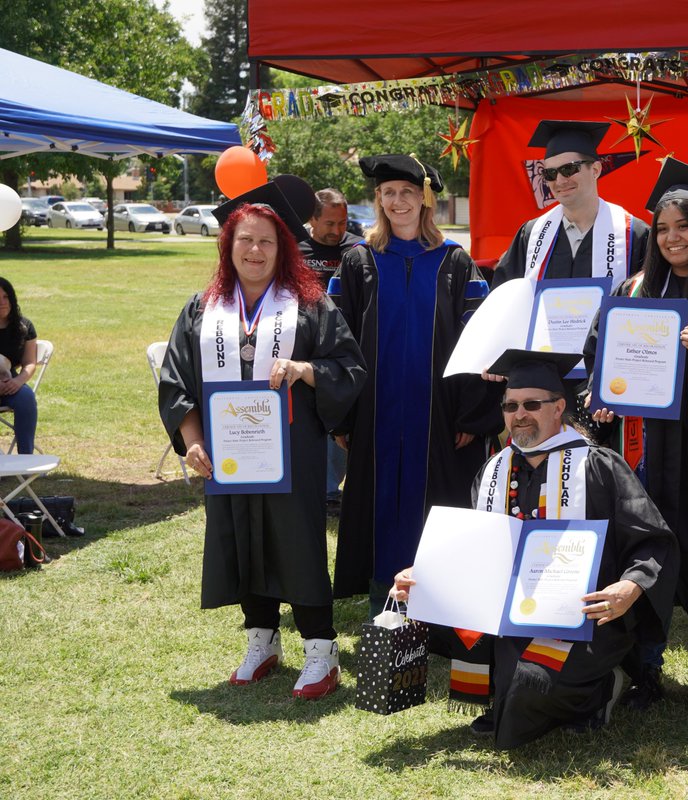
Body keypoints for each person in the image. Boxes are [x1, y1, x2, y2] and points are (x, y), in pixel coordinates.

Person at [391, 348, 678, 749]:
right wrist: (420, 576)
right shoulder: (493, 470)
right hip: (508, 612)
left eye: (531, 404)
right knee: (443, 619)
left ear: (558, 407)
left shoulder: (597, 465)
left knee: (530, 686)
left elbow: (652, 541)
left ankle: (600, 689)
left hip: (580, 617)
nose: (518, 414)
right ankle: (510, 692)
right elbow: (472, 549)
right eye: (510, 405)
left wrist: (628, 588)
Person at [157, 177, 366, 699]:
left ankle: (321, 650)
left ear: (283, 248)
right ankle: (262, 641)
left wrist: (304, 368)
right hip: (227, 452)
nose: (255, 250)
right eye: (244, 240)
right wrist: (194, 440)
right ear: (228, 246)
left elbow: (349, 367)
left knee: (296, 541)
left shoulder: (310, 304)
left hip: (291, 450)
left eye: (266, 241)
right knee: (240, 537)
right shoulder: (203, 309)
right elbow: (176, 379)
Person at [587, 158, 688, 721]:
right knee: (643, 552)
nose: (673, 238)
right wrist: (600, 393)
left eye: (684, 226)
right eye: (662, 228)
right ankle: (645, 669)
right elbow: (598, 358)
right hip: (644, 449)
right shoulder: (634, 289)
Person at [332, 153, 498, 615]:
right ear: (378, 200)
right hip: (376, 412)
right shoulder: (358, 261)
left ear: (424, 199)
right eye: (388, 193)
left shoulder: (455, 262)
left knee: (438, 503)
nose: (397, 201)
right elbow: (338, 342)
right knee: (378, 502)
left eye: (407, 192)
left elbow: (478, 340)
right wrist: (344, 415)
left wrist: (471, 414)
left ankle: (438, 608)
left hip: (439, 416)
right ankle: (382, 605)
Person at [491, 120, 650, 287]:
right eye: (550, 173)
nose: (560, 180)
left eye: (569, 169)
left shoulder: (633, 234)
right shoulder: (531, 235)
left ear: (595, 170)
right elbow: (505, 298)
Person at [297, 187, 364, 516]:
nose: (336, 230)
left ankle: (347, 487)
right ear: (312, 219)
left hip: (348, 349)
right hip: (308, 348)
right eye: (329, 223)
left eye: (342, 223)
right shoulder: (296, 250)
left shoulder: (357, 248)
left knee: (345, 415)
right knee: (318, 419)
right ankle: (325, 491)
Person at [0, 277, 40, 454]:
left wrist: (18, 381)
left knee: (26, 397)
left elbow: (30, 362)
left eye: (6, 297)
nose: (2, 303)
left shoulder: (24, 326)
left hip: (11, 382)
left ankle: (26, 458)